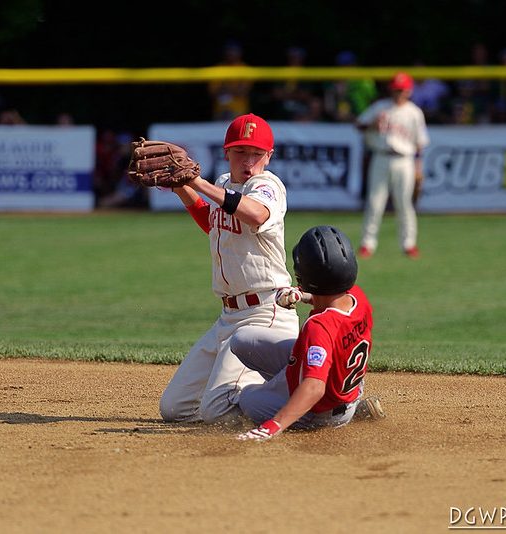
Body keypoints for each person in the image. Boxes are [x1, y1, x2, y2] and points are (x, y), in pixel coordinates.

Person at [159, 113, 300, 424]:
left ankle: (317, 407)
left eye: (256, 153)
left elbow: (256, 214)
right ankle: (271, 390)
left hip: (265, 317)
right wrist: (182, 187)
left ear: (268, 156)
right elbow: (212, 223)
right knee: (175, 408)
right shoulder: (224, 184)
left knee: (216, 409)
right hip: (228, 318)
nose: (248, 161)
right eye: (240, 152)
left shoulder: (268, 185)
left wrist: (197, 182)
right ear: (227, 152)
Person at [235, 225, 383, 441]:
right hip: (346, 387)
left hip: (322, 412)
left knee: (247, 398)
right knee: (242, 340)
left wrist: (272, 426)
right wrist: (303, 297)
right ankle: (350, 408)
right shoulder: (357, 296)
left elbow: (314, 387)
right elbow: (331, 301)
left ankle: (344, 415)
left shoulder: (319, 326)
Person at [355, 72, 430, 259]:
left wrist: (419, 167)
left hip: (405, 159)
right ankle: (367, 243)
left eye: (402, 90)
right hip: (381, 156)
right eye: (396, 90)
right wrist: (372, 124)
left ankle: (409, 243)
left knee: (404, 203)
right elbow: (359, 125)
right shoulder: (381, 107)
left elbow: (420, 143)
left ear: (409, 91)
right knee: (375, 202)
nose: (398, 93)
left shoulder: (414, 112)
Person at [207, 41, 253, 121]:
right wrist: (234, 88)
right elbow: (213, 92)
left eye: (234, 51)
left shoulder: (244, 69)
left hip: (239, 112)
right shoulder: (218, 68)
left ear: (239, 53)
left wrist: (225, 86)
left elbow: (242, 92)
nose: (231, 54)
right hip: (220, 111)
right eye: (229, 51)